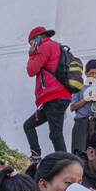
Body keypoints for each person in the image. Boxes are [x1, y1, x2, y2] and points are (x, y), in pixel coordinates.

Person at [23, 26, 72, 163]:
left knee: (56, 134)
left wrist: (32, 54)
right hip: (56, 98)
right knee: (29, 125)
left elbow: (32, 70)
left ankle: (66, 164)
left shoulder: (45, 47)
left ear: (37, 39)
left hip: (54, 97)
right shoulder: (56, 47)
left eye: (31, 42)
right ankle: (36, 156)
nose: (31, 46)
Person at [69, 59, 96, 156]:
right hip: (82, 123)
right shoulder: (79, 87)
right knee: (80, 153)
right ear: (86, 73)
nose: (95, 76)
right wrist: (85, 99)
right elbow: (72, 107)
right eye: (92, 73)